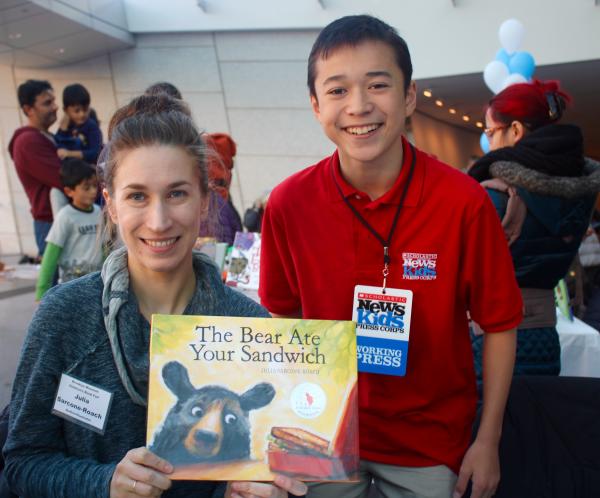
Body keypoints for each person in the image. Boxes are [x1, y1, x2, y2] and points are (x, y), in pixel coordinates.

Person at [259, 15, 522, 498]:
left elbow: (501, 324)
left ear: (408, 98)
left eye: (377, 85)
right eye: (337, 91)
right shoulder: (288, 204)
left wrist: (489, 439)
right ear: (316, 106)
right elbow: (283, 318)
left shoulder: (463, 203)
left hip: (432, 442)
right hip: (325, 436)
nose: (359, 106)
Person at [3, 94, 307, 498]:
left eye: (177, 193)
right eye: (137, 196)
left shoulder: (249, 328)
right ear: (110, 205)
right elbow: (22, 461)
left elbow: (260, 461)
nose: (159, 221)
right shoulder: (65, 316)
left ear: (203, 199)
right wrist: (103, 482)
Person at [469, 79, 600, 377]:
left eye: (490, 132)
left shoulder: (498, 193)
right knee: (536, 414)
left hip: (492, 335)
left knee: (495, 418)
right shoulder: (581, 190)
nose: (488, 142)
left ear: (514, 130)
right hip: (544, 331)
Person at [35, 158, 103, 300]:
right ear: (69, 191)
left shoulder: (99, 213)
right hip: (72, 288)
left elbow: (105, 248)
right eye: (86, 187)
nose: (93, 191)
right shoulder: (65, 217)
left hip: (97, 285)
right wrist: (42, 292)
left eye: (94, 186)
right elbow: (50, 256)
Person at [8, 79, 61, 257]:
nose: (55, 107)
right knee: (59, 283)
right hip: (51, 223)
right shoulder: (28, 141)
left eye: (54, 101)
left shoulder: (48, 136)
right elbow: (64, 177)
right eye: (47, 103)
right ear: (28, 109)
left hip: (60, 220)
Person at [55, 83, 103, 164]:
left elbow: (95, 153)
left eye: (85, 109)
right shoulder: (66, 125)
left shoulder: (91, 126)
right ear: (66, 111)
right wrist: (63, 129)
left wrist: (69, 154)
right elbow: (58, 146)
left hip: (89, 166)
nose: (82, 114)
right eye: (77, 111)